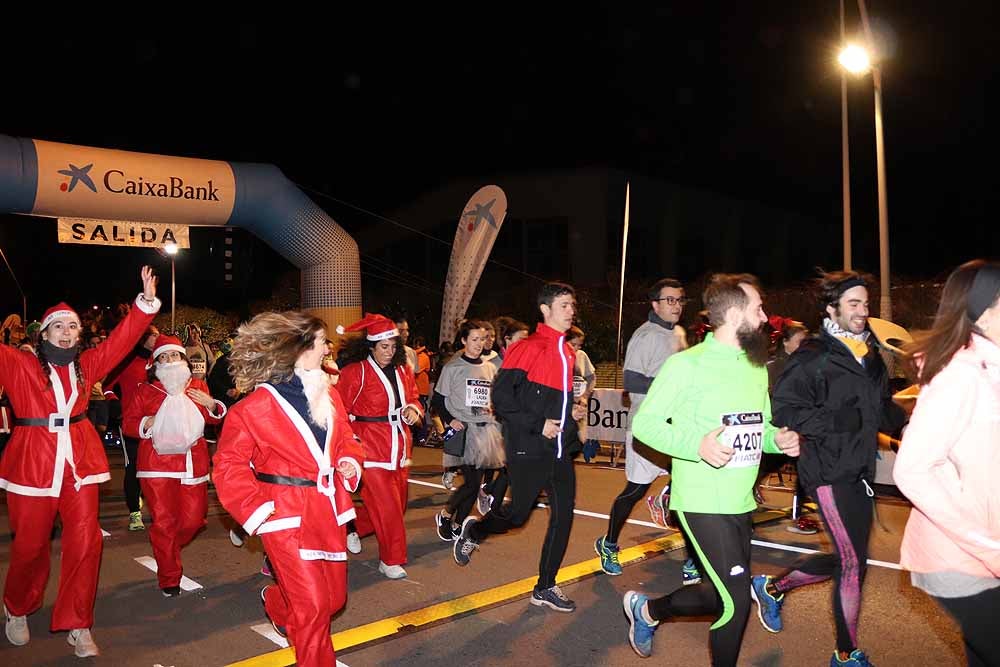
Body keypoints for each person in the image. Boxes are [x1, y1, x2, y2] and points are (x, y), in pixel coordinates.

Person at [622, 273, 801, 665]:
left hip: (740, 502)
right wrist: (697, 446)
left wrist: (778, 440)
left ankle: (647, 611)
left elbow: (762, 427)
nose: (766, 317)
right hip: (702, 500)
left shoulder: (755, 367)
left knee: (717, 590)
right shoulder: (687, 366)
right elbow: (646, 425)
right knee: (735, 604)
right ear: (735, 314)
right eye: (758, 309)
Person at [1, 267, 160, 657]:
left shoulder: (87, 364)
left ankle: (79, 622)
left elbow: (122, 341)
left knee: (86, 542)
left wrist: (143, 305)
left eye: (73, 326)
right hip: (33, 461)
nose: (68, 332)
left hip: (79, 460)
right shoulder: (19, 364)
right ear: (45, 334)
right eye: (60, 327)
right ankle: (17, 607)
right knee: (31, 546)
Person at [751, 271, 907, 667]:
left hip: (859, 472)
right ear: (831, 309)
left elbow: (879, 415)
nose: (862, 311)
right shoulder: (814, 356)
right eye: (853, 304)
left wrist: (910, 405)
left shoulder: (870, 357)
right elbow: (785, 409)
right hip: (825, 471)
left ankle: (773, 586)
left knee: (850, 559)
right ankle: (845, 652)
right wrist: (844, 423)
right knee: (853, 562)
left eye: (865, 304)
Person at [213, 311, 363, 667]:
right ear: (298, 348)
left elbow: (346, 440)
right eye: (321, 341)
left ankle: (279, 603)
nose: (328, 348)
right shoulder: (253, 408)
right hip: (284, 515)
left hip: (327, 509)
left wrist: (349, 461)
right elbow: (228, 465)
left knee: (333, 600)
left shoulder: (329, 394)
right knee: (312, 608)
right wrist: (257, 511)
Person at [452, 282, 586, 613]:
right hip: (528, 447)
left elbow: (557, 401)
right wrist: (537, 424)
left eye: (572, 305)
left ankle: (545, 586)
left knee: (564, 516)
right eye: (565, 305)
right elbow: (501, 398)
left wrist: (572, 412)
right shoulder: (528, 348)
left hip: (559, 450)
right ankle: (477, 529)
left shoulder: (567, 352)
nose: (571, 311)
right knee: (517, 515)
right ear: (546, 309)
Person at [894, 260, 1000, 667]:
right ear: (986, 310)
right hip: (960, 556)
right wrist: (986, 546)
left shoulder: (989, 369)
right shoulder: (962, 374)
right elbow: (912, 470)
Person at [595, 279, 697, 580]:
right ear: (654, 304)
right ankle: (609, 543)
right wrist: (670, 387)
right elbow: (632, 381)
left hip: (676, 427)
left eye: (680, 300)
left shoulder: (678, 333)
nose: (676, 305)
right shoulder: (646, 335)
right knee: (635, 491)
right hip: (648, 427)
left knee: (687, 491)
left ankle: (692, 558)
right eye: (669, 300)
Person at [128, 334, 226, 597]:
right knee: (163, 522)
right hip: (156, 467)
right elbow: (128, 423)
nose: (170, 360)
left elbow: (214, 420)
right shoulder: (145, 390)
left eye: (175, 355)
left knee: (193, 520)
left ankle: (166, 546)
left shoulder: (198, 387)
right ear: (155, 363)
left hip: (193, 463)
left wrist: (213, 405)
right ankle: (169, 576)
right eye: (164, 356)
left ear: (183, 359)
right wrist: (146, 423)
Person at [336, 314, 423, 579]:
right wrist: (349, 443)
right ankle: (390, 560)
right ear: (371, 346)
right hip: (369, 447)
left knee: (397, 506)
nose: (389, 352)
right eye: (383, 346)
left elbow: (415, 398)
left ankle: (350, 526)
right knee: (388, 507)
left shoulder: (403, 370)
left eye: (393, 346)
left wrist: (413, 410)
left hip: (399, 446)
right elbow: (338, 410)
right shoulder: (355, 372)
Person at [432, 320, 506, 538]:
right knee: (472, 482)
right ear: (463, 340)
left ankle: (456, 523)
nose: (479, 344)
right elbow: (438, 399)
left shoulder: (490, 367)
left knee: (474, 485)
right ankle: (446, 515)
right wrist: (449, 419)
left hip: (485, 431)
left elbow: (494, 398)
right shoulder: (453, 367)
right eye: (474, 339)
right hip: (463, 431)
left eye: (482, 339)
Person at [105, 325, 161, 531]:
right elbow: (107, 387)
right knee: (134, 466)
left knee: (156, 466)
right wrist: (116, 403)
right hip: (131, 423)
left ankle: (158, 508)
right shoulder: (127, 362)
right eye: (153, 334)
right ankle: (134, 512)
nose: (157, 337)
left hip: (158, 424)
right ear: (142, 337)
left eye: (157, 334)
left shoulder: (159, 361)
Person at [566, 326, 598, 461]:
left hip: (579, 406)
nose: (576, 348)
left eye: (579, 345)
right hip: (564, 407)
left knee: (577, 442)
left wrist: (585, 396)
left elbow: (592, 378)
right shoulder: (558, 356)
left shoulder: (581, 355)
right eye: (573, 344)